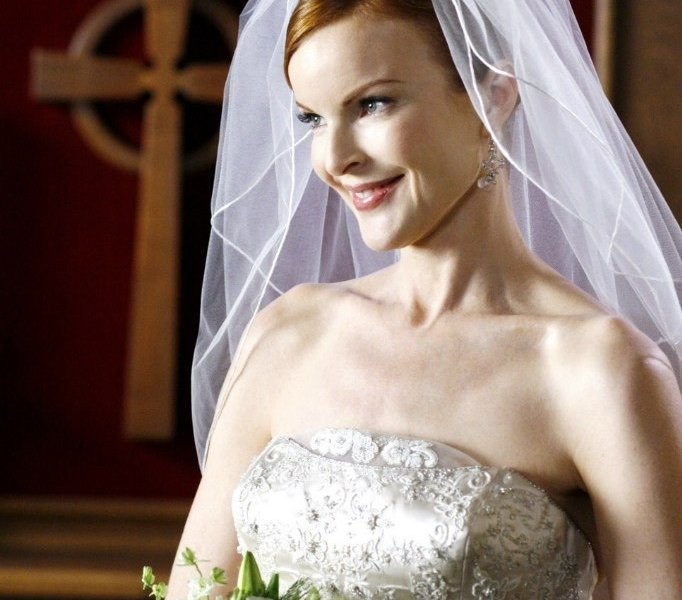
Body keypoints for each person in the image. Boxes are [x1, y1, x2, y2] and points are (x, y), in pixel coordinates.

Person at [169, 0, 682, 598]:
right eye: (312, 118)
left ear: (495, 97)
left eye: (372, 104)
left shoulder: (601, 371)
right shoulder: (286, 334)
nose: (335, 159)